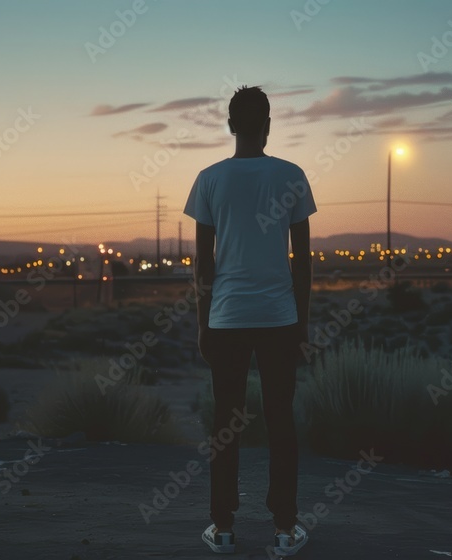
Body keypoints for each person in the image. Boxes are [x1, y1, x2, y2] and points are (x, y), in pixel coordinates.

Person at [183, 85, 316, 556]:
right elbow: (302, 262)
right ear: (267, 125)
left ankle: (222, 530)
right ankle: (284, 531)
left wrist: (203, 324)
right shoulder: (292, 176)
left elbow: (203, 265)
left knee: (226, 424)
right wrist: (302, 325)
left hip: (228, 318)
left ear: (231, 125)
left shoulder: (209, 179)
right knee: (281, 421)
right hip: (280, 318)